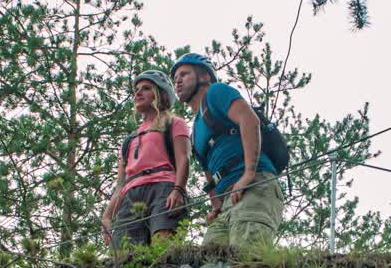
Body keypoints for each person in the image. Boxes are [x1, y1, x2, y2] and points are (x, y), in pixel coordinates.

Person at [170, 53, 284, 248]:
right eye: (175, 79)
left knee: (247, 257)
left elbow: (249, 120)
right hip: (228, 200)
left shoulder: (216, 93)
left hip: (255, 184)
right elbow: (210, 176)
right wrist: (217, 207)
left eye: (184, 74)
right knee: (209, 262)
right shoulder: (195, 132)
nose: (177, 81)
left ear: (204, 77)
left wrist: (248, 173)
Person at [101, 70, 191, 248]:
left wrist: (178, 189)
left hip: (164, 188)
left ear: (160, 94)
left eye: (146, 88)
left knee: (162, 251)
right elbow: (121, 184)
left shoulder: (174, 123)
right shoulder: (129, 140)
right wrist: (107, 215)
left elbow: (183, 159)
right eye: (136, 89)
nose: (138, 92)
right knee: (122, 257)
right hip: (131, 196)